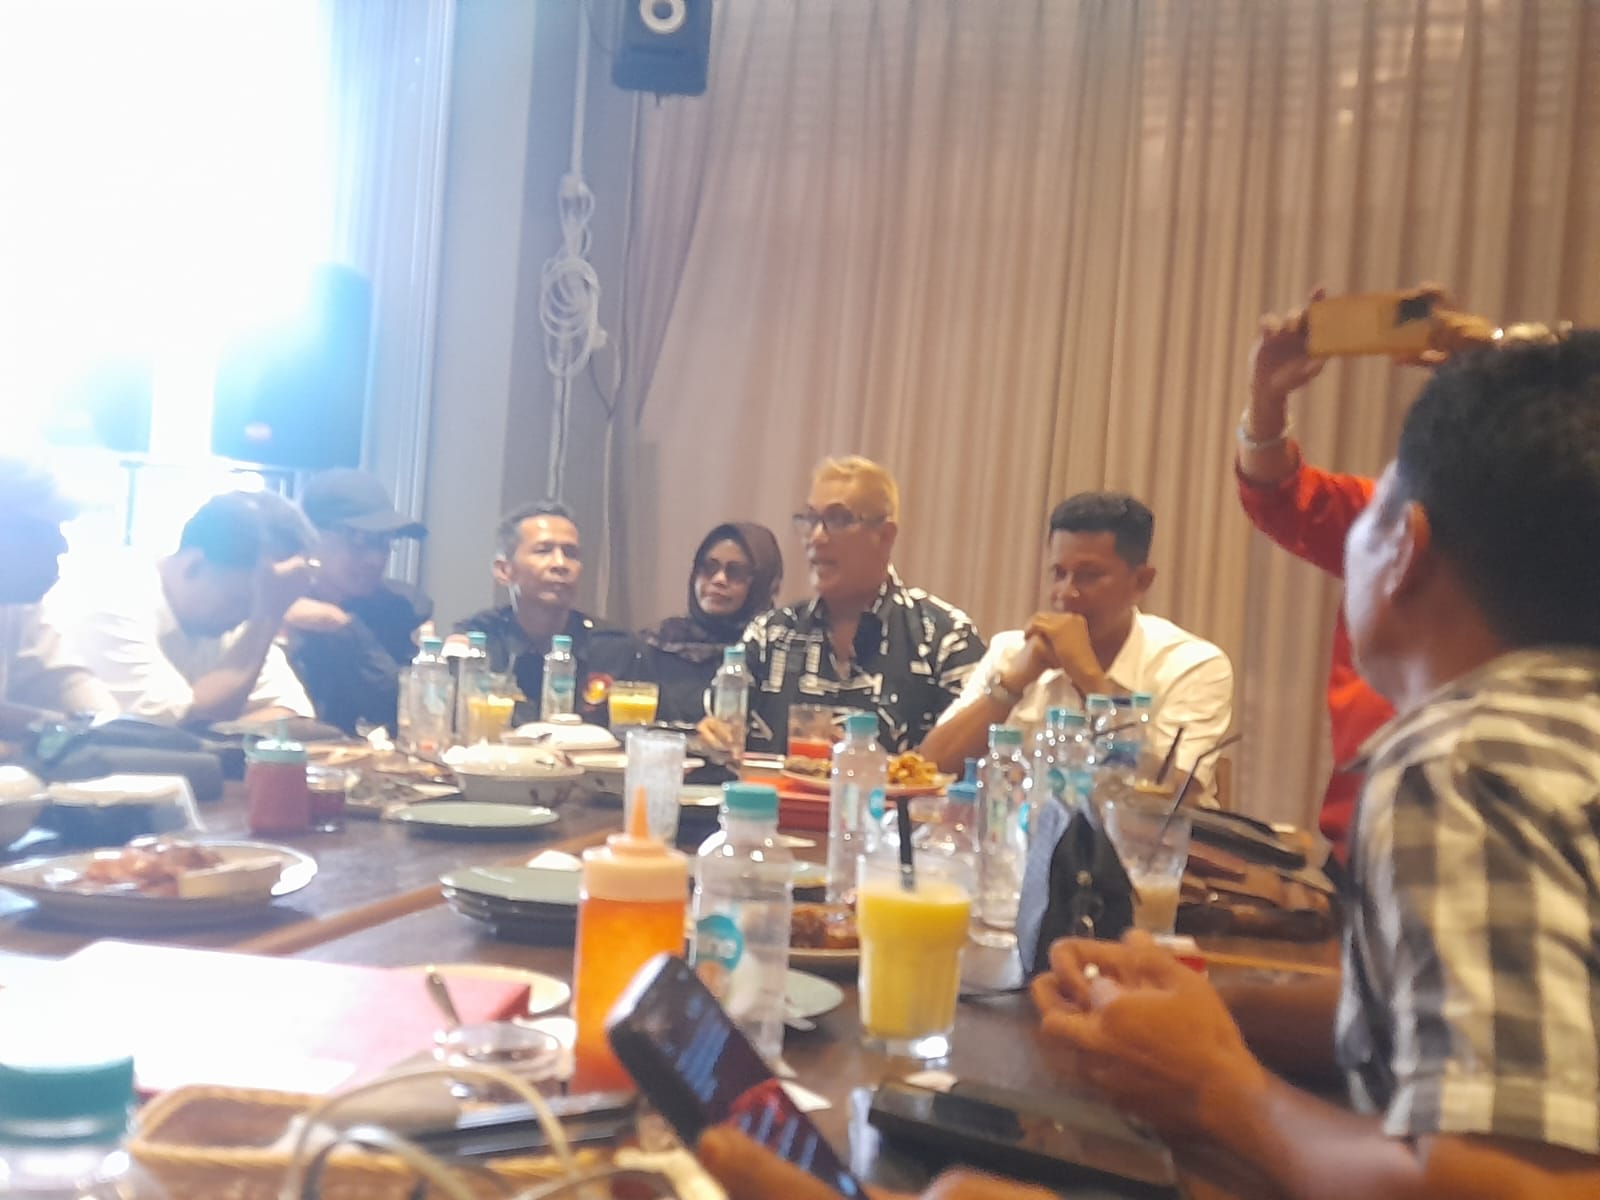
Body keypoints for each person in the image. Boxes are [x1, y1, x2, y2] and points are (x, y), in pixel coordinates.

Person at [1034, 331, 1600, 1198]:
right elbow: (1459, 1018)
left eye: (1367, 521)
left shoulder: (1463, 762)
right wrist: (1210, 1003)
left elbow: (1517, 1186)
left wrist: (1220, 1090)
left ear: (1404, 549)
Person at [1237, 285, 1499, 859]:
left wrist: (1499, 368)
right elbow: (1277, 494)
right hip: (1362, 836)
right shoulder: (1389, 517)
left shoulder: (1551, 528)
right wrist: (1267, 397)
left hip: (1488, 834)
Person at [923, 492, 1232, 787]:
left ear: (1140, 582)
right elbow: (931, 768)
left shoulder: (1193, 665)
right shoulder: (1013, 651)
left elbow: (1172, 794)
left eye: (1089, 576)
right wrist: (1012, 685)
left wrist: (1090, 680)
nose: (1066, 593)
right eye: (1058, 573)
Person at [713, 456, 985, 755]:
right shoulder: (770, 634)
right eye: (810, 520)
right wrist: (715, 736)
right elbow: (719, 733)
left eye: (838, 520)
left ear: (885, 536)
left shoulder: (944, 638)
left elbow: (968, 759)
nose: (817, 537)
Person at [46, 491, 314, 725]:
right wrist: (266, 616)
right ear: (193, 565)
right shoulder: (111, 597)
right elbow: (179, 724)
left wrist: (211, 729)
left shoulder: (234, 616)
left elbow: (292, 714)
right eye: (240, 601)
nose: (245, 618)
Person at [454, 500, 639, 726]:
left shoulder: (613, 648)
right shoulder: (480, 642)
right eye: (543, 551)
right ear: (504, 570)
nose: (560, 564)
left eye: (570, 553)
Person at [282, 468, 432, 734]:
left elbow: (399, 710)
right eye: (358, 541)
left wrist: (344, 627)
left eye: (384, 542)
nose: (376, 559)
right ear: (310, 538)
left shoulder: (402, 607)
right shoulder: (273, 604)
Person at [0, 457, 116, 739]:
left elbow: (65, 679)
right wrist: (62, 727)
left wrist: (114, 732)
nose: (61, 545)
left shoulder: (19, 608)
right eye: (40, 530)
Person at [636, 522, 783, 726]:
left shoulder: (772, 653)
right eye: (709, 568)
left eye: (736, 572)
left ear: (761, 583)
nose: (719, 579)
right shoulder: (658, 642)